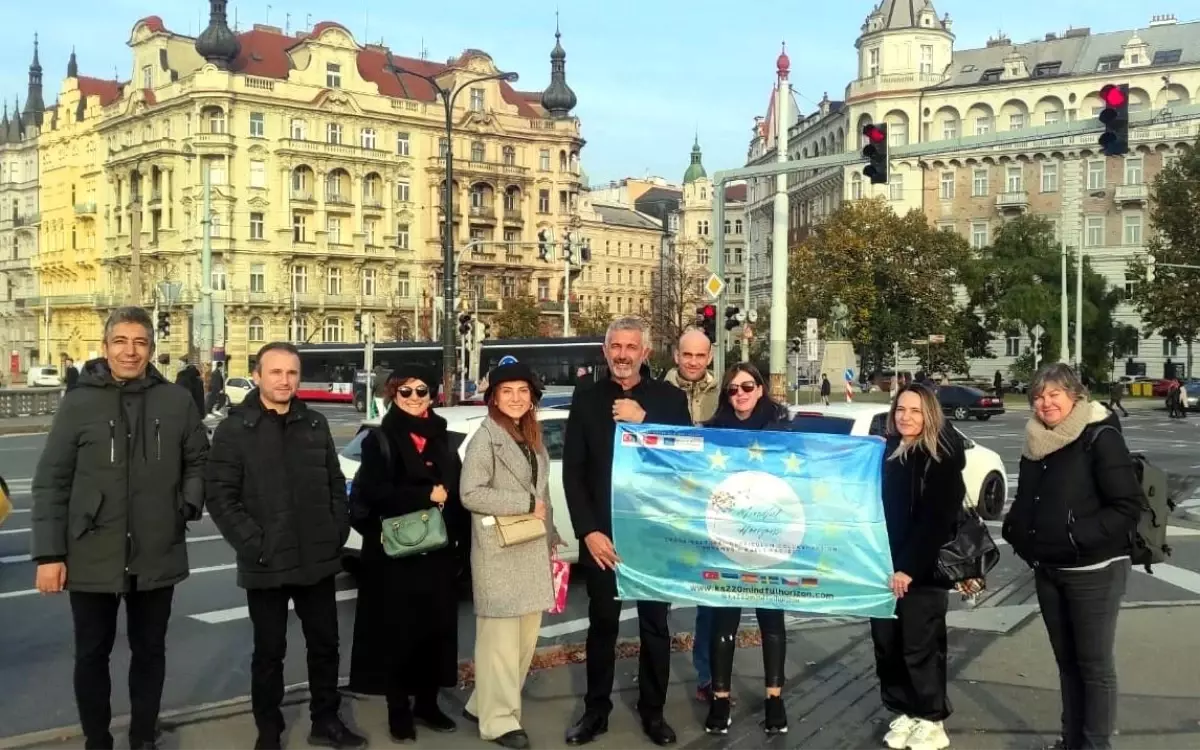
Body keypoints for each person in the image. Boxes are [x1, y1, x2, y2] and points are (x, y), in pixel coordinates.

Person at [31, 306, 209, 750]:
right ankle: (97, 739)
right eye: (121, 342)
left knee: (150, 653)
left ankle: (144, 736)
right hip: (91, 549)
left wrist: (184, 505)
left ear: (151, 348)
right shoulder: (79, 402)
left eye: (140, 343)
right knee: (92, 655)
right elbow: (52, 480)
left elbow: (199, 461)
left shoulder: (176, 401)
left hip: (156, 548)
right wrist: (50, 555)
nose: (130, 352)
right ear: (105, 345)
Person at [205, 342, 365, 750]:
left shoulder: (314, 424)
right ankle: (269, 730)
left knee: (325, 644)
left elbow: (334, 483)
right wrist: (253, 543)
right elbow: (221, 497)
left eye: (292, 373)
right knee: (269, 652)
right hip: (267, 559)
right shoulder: (234, 430)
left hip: (317, 554)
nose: (284, 380)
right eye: (275, 372)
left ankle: (325, 720)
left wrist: (335, 530)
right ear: (257, 376)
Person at [563, 317, 691, 746]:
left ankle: (653, 711)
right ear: (605, 352)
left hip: (654, 534)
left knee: (655, 625)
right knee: (602, 626)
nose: (622, 354)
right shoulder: (586, 399)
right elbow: (573, 473)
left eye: (630, 347)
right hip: (604, 536)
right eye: (615, 346)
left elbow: (685, 462)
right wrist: (588, 531)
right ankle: (596, 711)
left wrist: (645, 421)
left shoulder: (669, 400)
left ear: (645, 353)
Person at [1002, 363, 1142, 750]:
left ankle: (1094, 745)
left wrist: (1077, 537)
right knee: (1068, 664)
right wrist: (1018, 532)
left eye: (1054, 395)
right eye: (1038, 396)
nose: (1045, 403)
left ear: (1075, 396)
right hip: (1049, 568)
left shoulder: (1099, 435)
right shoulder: (1036, 440)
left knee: (1094, 667)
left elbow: (1128, 505)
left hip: (1094, 569)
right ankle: (1072, 740)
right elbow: (1030, 498)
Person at [347, 366, 469, 742]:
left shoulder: (445, 440)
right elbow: (368, 496)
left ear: (432, 395)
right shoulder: (380, 440)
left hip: (437, 555)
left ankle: (428, 704)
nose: (415, 398)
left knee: (434, 632)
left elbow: (459, 495)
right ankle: (398, 710)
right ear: (392, 395)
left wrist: (461, 544)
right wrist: (423, 496)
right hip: (394, 557)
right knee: (396, 634)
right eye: (406, 392)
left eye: (421, 391)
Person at [460, 362, 563, 749]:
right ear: (494, 398)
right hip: (500, 552)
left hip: (531, 545)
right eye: (507, 392)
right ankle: (499, 721)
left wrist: (550, 531)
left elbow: (543, 491)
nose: (516, 398)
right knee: (499, 644)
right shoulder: (485, 438)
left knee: (521, 642)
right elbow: (471, 493)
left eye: (523, 391)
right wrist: (524, 502)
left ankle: (481, 703)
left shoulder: (530, 435)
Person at [870, 383, 966, 750]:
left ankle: (931, 719)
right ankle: (904, 711)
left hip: (920, 574)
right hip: (882, 569)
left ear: (929, 415)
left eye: (914, 410)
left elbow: (935, 520)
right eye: (900, 410)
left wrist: (908, 567)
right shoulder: (889, 454)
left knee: (919, 646)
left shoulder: (940, 458)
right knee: (887, 645)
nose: (906, 417)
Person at [701, 363, 789, 736]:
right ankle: (720, 699)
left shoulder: (781, 428)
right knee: (725, 620)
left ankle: (774, 698)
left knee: (772, 620)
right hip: (727, 537)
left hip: (769, 535)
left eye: (747, 386)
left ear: (761, 388)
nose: (740, 394)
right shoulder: (715, 431)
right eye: (732, 389)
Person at [660, 328, 720, 701]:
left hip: (710, 509)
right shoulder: (657, 393)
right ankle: (655, 682)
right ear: (676, 356)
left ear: (709, 356)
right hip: (666, 507)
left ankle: (709, 675)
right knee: (656, 599)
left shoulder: (726, 394)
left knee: (712, 598)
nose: (694, 362)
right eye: (687, 355)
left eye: (700, 355)